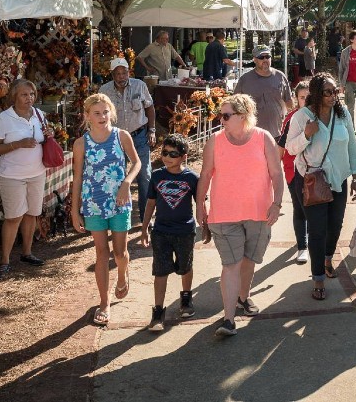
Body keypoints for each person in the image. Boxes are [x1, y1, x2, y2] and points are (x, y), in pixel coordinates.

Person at [196, 93, 284, 336]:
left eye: (226, 115)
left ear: (243, 116)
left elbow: (277, 173)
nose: (221, 120)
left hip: (259, 212)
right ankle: (228, 319)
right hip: (224, 215)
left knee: (249, 260)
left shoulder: (263, 138)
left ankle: (243, 297)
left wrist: (277, 203)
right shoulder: (214, 141)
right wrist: (200, 204)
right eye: (221, 115)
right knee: (231, 265)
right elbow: (205, 175)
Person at [285, 74, 356, 301]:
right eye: (327, 92)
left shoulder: (343, 113)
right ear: (317, 94)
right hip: (312, 180)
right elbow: (290, 149)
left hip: (338, 178)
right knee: (316, 230)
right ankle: (318, 277)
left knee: (335, 225)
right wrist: (307, 135)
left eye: (335, 91)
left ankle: (328, 258)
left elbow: (350, 145)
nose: (333, 96)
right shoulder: (301, 117)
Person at [71, 93, 142, 327]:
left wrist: (126, 183)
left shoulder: (122, 136)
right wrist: (75, 210)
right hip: (93, 203)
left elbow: (137, 162)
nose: (102, 117)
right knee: (101, 253)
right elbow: (78, 177)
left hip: (120, 202)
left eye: (105, 112)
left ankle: (123, 274)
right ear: (87, 116)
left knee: (120, 254)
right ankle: (104, 303)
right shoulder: (81, 143)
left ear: (111, 112)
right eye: (97, 113)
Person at [0, 79, 51, 277]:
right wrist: (18, 144)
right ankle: (5, 261)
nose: (29, 98)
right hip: (11, 175)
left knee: (32, 213)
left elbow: (45, 140)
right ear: (14, 96)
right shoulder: (4, 118)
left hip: (36, 172)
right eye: (24, 94)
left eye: (32, 94)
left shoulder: (39, 115)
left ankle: (27, 252)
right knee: (14, 217)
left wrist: (49, 134)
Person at [139, 133, 199, 332]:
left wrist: (206, 226)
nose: (167, 157)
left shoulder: (191, 178)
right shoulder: (157, 176)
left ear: (184, 156)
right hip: (161, 231)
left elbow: (200, 205)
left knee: (185, 266)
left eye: (173, 154)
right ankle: (158, 310)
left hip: (185, 231)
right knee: (160, 271)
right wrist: (144, 228)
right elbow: (150, 203)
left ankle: (186, 298)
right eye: (164, 153)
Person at [99, 57, 156, 217]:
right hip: (115, 138)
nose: (122, 77)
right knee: (116, 175)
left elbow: (150, 108)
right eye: (118, 74)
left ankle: (146, 216)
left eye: (124, 73)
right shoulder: (104, 90)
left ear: (128, 72)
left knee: (144, 174)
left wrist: (151, 130)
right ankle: (119, 213)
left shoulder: (139, 85)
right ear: (112, 75)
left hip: (139, 136)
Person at [277, 80, 312, 265]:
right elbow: (282, 147)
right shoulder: (290, 118)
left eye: (308, 97)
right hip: (294, 171)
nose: (305, 100)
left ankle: (312, 240)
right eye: (302, 97)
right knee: (300, 209)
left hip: (316, 171)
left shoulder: (321, 116)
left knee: (313, 208)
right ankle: (302, 247)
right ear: (296, 99)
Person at [234, 44, 294, 142]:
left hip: (276, 133)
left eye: (268, 57)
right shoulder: (245, 79)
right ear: (254, 59)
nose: (265, 60)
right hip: (252, 134)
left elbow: (289, 102)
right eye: (261, 57)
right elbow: (235, 104)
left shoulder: (280, 77)